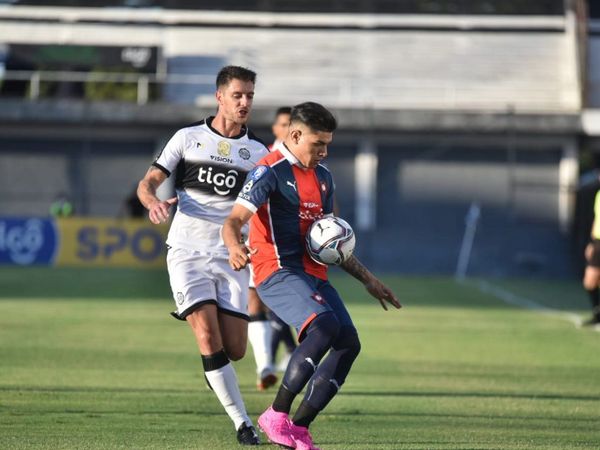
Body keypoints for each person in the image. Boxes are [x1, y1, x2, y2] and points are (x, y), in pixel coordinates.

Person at [222, 102, 401, 449]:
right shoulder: (268, 172)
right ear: (295, 135)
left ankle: (298, 428)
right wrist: (233, 247)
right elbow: (233, 222)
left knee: (349, 344)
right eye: (317, 144)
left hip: (314, 275)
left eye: (328, 144)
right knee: (325, 326)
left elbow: (329, 239)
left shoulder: (324, 178)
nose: (323, 151)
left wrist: (367, 279)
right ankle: (275, 414)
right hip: (276, 272)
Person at [136, 65, 268, 446]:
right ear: (220, 97)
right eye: (238, 95)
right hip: (187, 251)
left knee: (236, 350)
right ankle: (243, 423)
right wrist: (152, 203)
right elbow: (148, 183)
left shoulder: (258, 153)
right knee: (208, 336)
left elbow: (263, 207)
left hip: (232, 256)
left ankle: (215, 371)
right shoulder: (187, 137)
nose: (245, 103)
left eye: (250, 96)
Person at [247, 106, 296, 390]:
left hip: (283, 245)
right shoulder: (263, 156)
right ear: (276, 129)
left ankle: (273, 360)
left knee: (266, 299)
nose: (288, 128)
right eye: (283, 124)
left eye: (292, 123)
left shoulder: (307, 159)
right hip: (256, 238)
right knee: (248, 301)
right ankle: (219, 358)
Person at [582, 188, 600, 326]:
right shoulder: (598, 194)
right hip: (597, 243)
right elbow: (596, 219)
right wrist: (592, 242)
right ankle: (597, 314)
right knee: (589, 282)